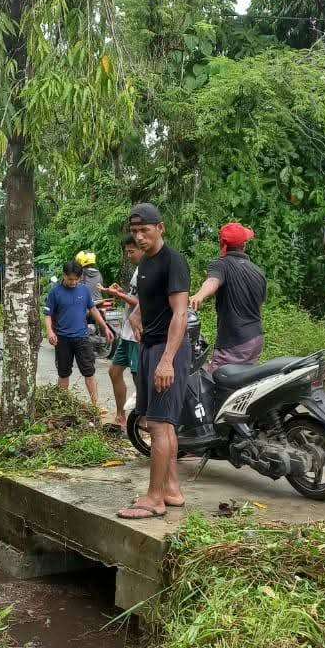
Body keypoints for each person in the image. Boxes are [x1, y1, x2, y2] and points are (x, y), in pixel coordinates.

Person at [118, 203, 190, 520]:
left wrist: (167, 360)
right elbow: (147, 302)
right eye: (135, 231)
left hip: (166, 350)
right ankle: (171, 489)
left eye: (144, 230)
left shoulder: (173, 262)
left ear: (160, 228)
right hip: (149, 348)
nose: (139, 237)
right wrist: (136, 314)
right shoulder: (145, 264)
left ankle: (154, 498)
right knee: (155, 422)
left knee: (160, 426)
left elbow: (181, 313)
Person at [191, 222, 267, 374]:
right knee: (243, 381)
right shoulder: (258, 272)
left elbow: (212, 281)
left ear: (222, 243)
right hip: (256, 338)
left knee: (215, 382)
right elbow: (259, 307)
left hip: (235, 342)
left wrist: (199, 295)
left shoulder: (221, 265)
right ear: (244, 245)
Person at [45, 261, 111, 413]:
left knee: (89, 372)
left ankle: (95, 406)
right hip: (62, 339)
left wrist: (104, 327)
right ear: (64, 276)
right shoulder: (55, 293)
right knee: (63, 373)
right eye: (70, 279)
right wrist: (50, 332)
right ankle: (63, 407)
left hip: (82, 338)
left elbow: (93, 309)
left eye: (76, 279)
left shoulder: (85, 290)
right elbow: (48, 315)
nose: (73, 282)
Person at [104, 234, 144, 430]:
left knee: (139, 378)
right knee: (114, 371)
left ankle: (144, 420)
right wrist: (123, 293)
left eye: (131, 251)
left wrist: (119, 295)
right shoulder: (137, 270)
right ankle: (121, 415)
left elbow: (143, 303)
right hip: (126, 333)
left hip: (137, 334)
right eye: (126, 251)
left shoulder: (148, 270)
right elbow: (134, 297)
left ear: (142, 249)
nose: (128, 255)